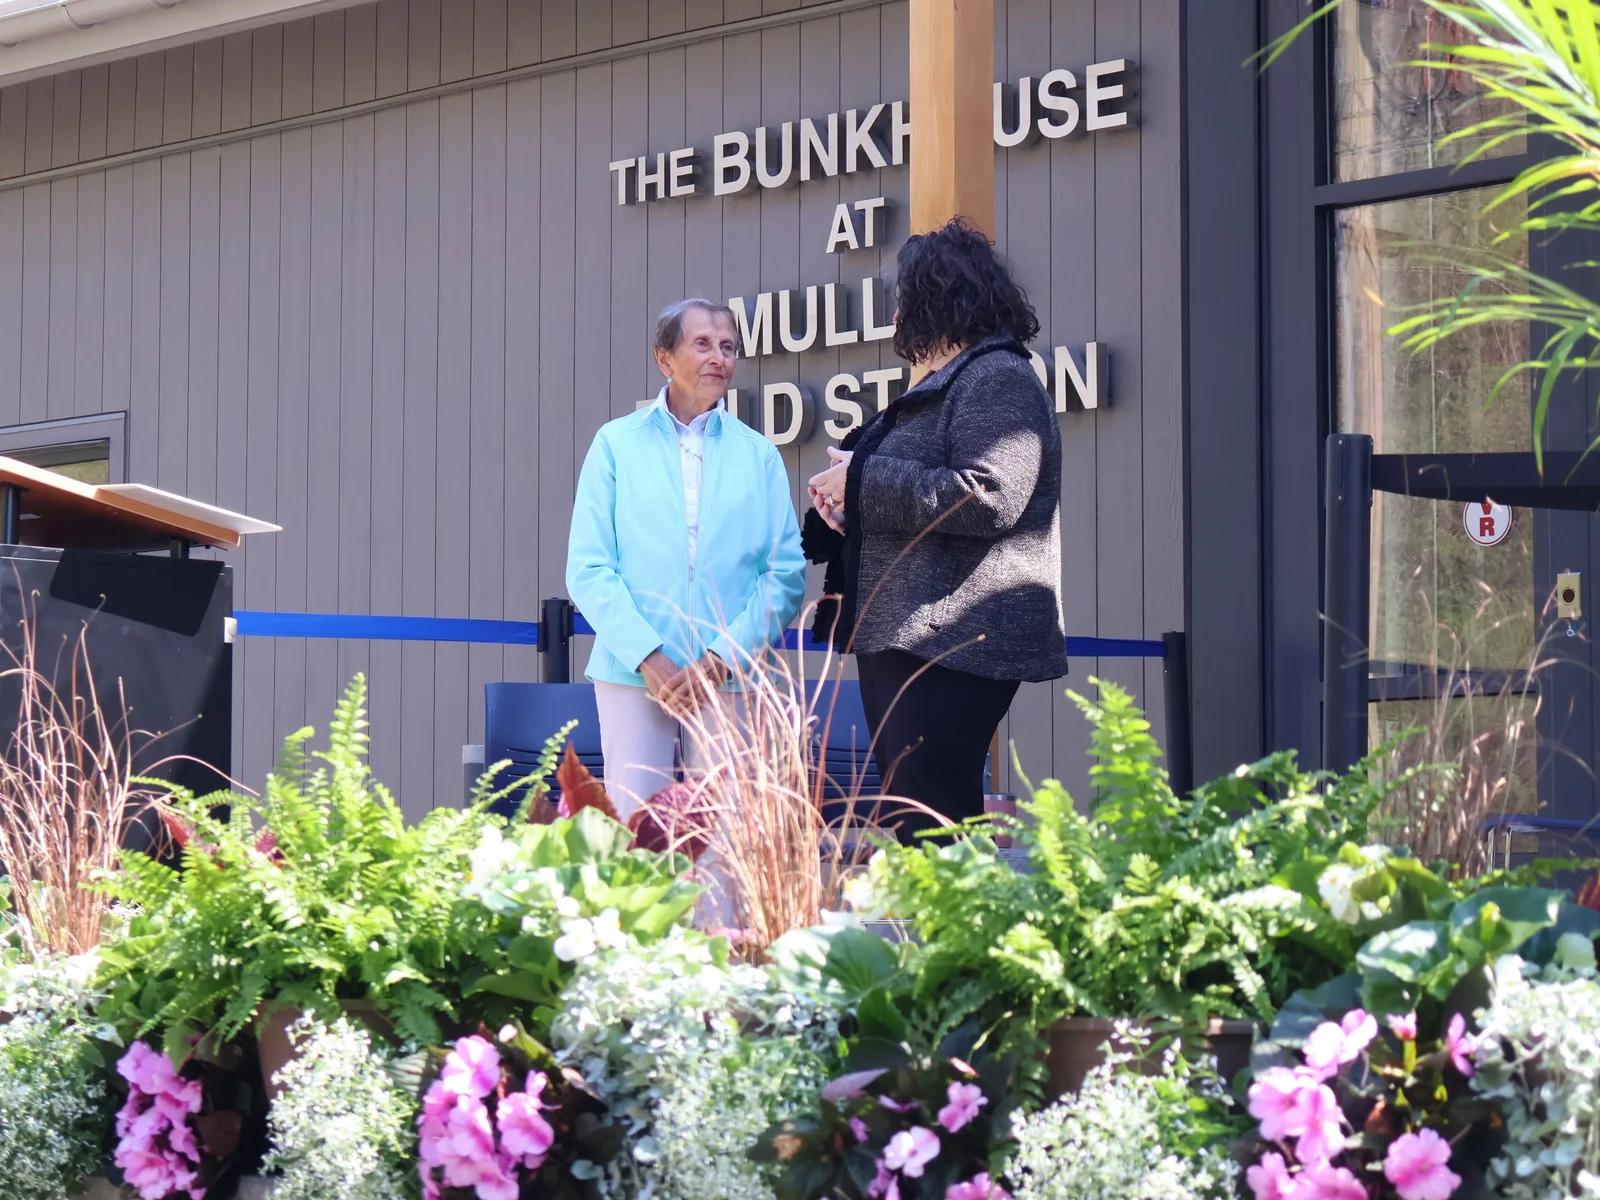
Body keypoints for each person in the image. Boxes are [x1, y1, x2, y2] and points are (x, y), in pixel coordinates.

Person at [804, 217, 1068, 827]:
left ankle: (956, 926)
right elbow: (933, 491)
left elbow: (990, 494)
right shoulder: (960, 378)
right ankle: (942, 924)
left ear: (936, 297)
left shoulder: (997, 376)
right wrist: (852, 501)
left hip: (953, 637)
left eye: (902, 299)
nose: (895, 317)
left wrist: (865, 482)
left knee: (929, 816)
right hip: (916, 634)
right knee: (914, 813)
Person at [567, 298, 805, 820]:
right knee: (636, 827)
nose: (718, 357)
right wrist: (650, 659)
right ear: (664, 358)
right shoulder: (615, 444)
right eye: (702, 344)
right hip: (633, 672)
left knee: (726, 837)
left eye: (728, 347)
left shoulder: (759, 455)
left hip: (731, 675)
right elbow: (588, 567)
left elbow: (785, 576)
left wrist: (719, 660)